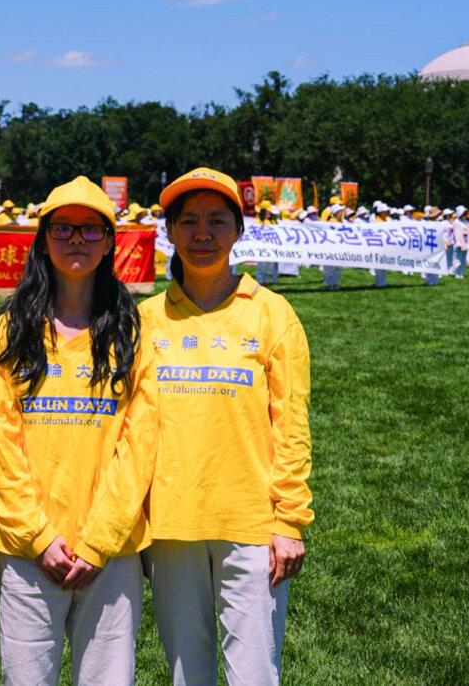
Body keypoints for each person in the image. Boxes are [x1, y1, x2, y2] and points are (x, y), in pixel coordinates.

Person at [0, 176, 157, 686]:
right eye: (63, 227)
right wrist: (38, 537)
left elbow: (138, 445)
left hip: (113, 551)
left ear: (108, 242)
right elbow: (0, 445)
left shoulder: (134, 332)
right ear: (43, 239)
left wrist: (99, 541)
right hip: (28, 548)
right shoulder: (9, 330)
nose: (76, 239)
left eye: (90, 229)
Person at [139, 168, 312, 686]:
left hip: (252, 524)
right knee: (187, 673)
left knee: (255, 672)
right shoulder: (146, 318)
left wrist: (289, 521)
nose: (202, 233)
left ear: (238, 231)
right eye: (188, 221)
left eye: (217, 220)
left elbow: (292, 425)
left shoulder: (273, 313)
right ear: (169, 232)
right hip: (170, 523)